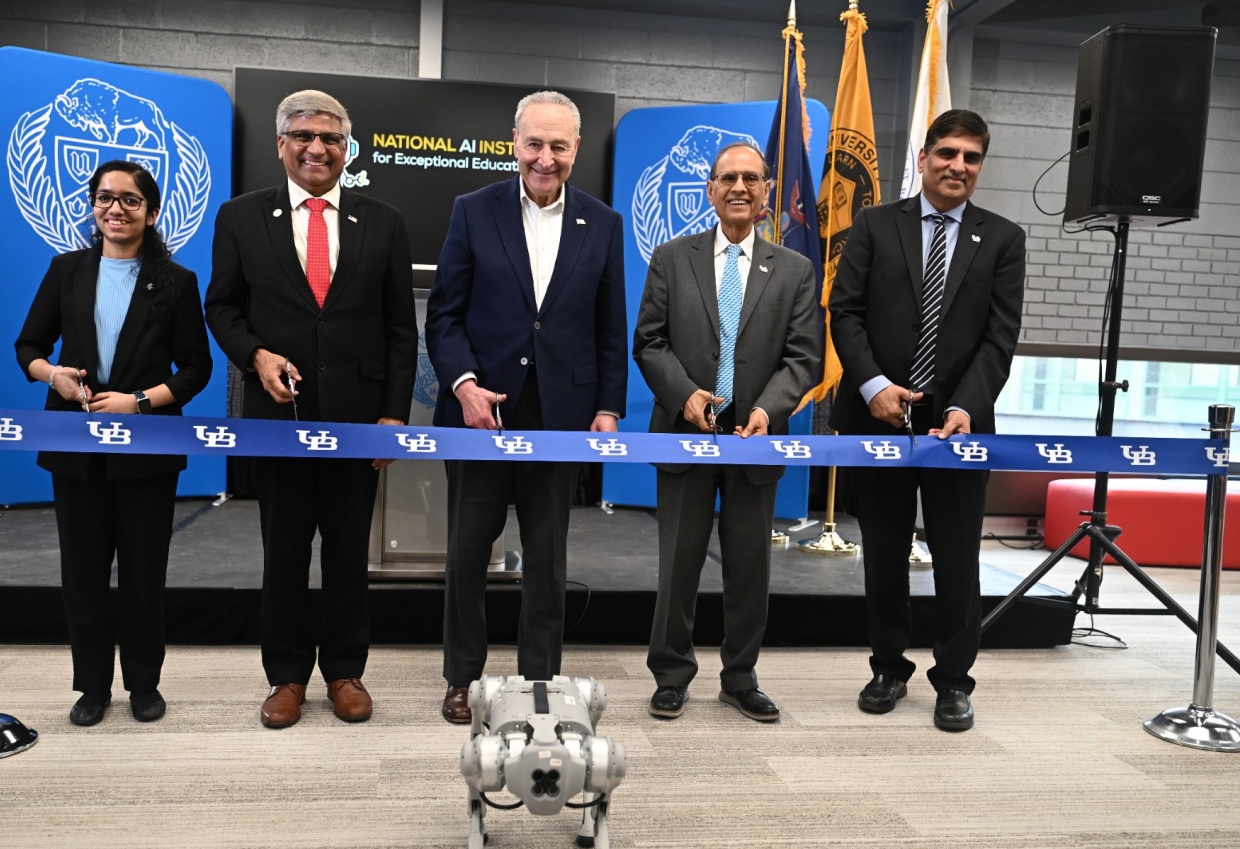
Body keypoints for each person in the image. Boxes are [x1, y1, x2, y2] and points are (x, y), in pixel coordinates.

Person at [205, 90, 416, 729]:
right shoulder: (240, 217)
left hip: (359, 419)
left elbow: (401, 329)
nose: (316, 147)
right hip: (279, 418)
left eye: (329, 137)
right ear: (281, 144)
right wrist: (255, 355)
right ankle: (287, 676)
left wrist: (393, 417)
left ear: (348, 148)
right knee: (286, 551)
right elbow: (223, 308)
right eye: (303, 135)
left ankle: (347, 672)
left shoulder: (384, 221)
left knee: (349, 552)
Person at [426, 90, 627, 724]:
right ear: (514, 143)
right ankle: (462, 678)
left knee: (548, 560)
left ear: (576, 149)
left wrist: (608, 408)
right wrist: (462, 385)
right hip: (479, 416)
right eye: (535, 144)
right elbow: (445, 316)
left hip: (561, 421)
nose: (546, 158)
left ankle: (540, 679)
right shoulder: (471, 211)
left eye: (559, 146)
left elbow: (608, 325)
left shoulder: (604, 222)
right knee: (466, 555)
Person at [828, 109, 1026, 732]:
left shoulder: (1002, 237)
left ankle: (954, 682)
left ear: (980, 166)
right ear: (923, 157)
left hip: (960, 429)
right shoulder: (873, 224)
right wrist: (873, 387)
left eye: (970, 157)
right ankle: (888, 667)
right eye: (947, 154)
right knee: (883, 552)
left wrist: (966, 405)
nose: (957, 167)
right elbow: (846, 315)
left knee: (958, 557)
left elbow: (999, 339)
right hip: (878, 419)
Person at [15, 160, 213, 726]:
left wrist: (142, 401)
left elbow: (196, 368)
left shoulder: (177, 282)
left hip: (146, 445)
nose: (115, 209)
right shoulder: (66, 270)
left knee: (145, 571)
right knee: (82, 571)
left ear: (150, 213)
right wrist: (50, 374)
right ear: (93, 206)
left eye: (130, 200)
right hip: (74, 444)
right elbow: (28, 345)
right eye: (105, 198)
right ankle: (92, 687)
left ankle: (144, 684)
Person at [633, 142, 819, 722]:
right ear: (710, 190)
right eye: (727, 178)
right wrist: (685, 395)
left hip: (755, 440)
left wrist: (768, 409)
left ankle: (740, 676)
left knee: (749, 567)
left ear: (766, 193)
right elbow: (650, 341)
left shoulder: (795, 270)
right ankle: (670, 674)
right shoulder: (670, 257)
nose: (739, 187)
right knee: (678, 565)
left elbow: (803, 358)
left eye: (751, 179)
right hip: (684, 435)